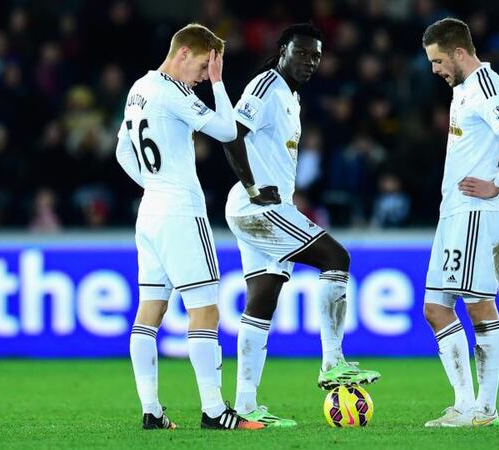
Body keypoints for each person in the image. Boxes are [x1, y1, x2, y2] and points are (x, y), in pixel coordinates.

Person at [221, 23, 381, 427]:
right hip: (256, 206)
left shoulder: (291, 98)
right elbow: (230, 134)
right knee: (336, 257)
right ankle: (333, 363)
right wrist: (253, 186)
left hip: (259, 208)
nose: (310, 61)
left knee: (262, 300)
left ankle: (245, 405)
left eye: (316, 55)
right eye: (303, 52)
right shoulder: (266, 86)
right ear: (282, 51)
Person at [115, 23, 264, 431]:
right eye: (202, 66)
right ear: (183, 54)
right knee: (205, 311)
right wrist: (218, 83)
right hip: (180, 211)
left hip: (150, 212)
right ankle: (215, 412)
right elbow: (227, 130)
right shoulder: (173, 92)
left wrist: (154, 184)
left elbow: (122, 149)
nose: (202, 75)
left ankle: (151, 410)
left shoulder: (139, 88)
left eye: (207, 71)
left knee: (150, 310)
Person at [420, 18, 499, 428]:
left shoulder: (484, 85)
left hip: (476, 214)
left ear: (460, 53)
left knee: (479, 305)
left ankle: (485, 408)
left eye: (438, 61)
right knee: (435, 308)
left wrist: (497, 183)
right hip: (453, 215)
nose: (435, 70)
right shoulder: (463, 90)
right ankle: (464, 405)